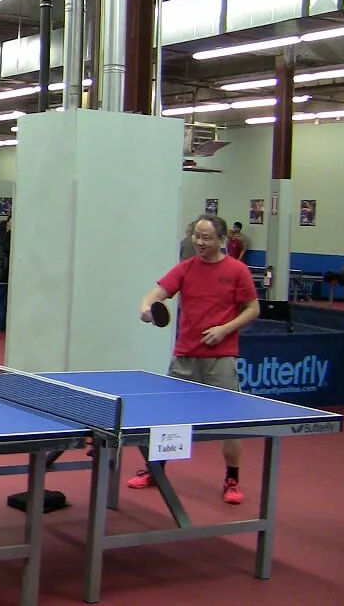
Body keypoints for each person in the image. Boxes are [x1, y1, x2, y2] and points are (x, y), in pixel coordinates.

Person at [135, 214, 260, 504]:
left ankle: (232, 479)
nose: (200, 242)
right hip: (185, 355)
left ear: (221, 240)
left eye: (207, 238)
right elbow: (156, 294)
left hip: (221, 357)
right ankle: (156, 471)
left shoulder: (237, 271)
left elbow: (252, 309)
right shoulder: (185, 268)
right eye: (197, 236)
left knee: (230, 422)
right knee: (168, 420)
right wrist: (146, 308)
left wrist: (224, 329)